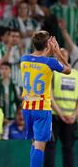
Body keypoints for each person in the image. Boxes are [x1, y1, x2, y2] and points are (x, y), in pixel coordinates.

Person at [20, 31, 71, 167]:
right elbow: (68, 70)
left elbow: (38, 61)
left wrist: (48, 51)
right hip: (42, 109)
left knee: (34, 143)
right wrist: (57, 51)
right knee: (40, 146)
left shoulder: (24, 59)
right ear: (48, 44)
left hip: (27, 108)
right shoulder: (51, 62)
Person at [44, 48, 78, 167]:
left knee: (68, 148)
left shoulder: (76, 74)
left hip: (70, 118)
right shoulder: (52, 72)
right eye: (60, 52)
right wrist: (60, 113)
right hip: (54, 116)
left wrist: (74, 115)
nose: (63, 53)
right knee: (50, 147)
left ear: (68, 56)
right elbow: (49, 94)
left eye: (65, 52)